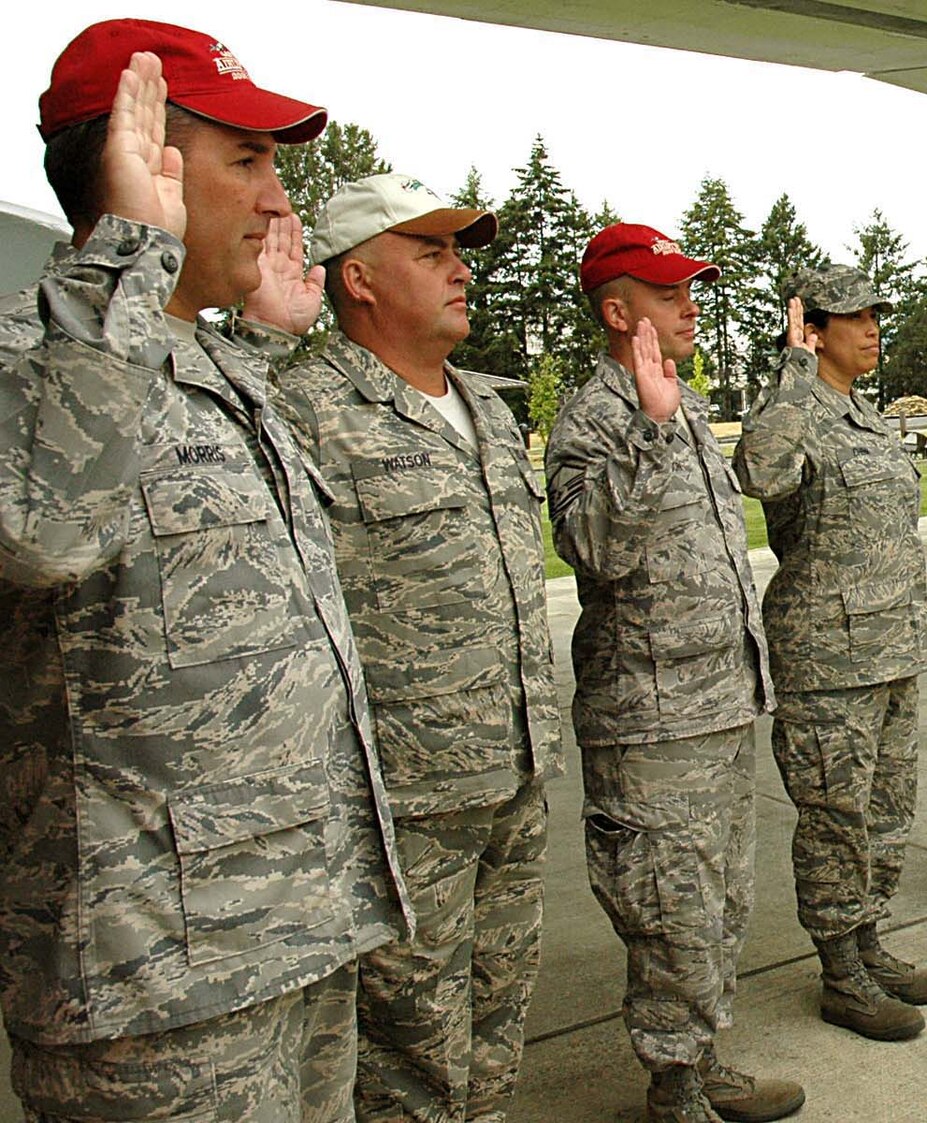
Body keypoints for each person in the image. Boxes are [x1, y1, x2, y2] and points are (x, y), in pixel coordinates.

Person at [0, 19, 407, 1122]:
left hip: (300, 934)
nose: (282, 201)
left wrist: (262, 335)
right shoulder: (36, 354)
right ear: (149, 168)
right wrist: (129, 252)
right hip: (157, 988)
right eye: (250, 161)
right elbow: (38, 528)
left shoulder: (204, 362)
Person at [272, 173, 562, 1123]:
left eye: (460, 249)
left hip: (515, 768)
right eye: (430, 251)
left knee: (498, 1011)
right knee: (408, 1048)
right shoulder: (304, 407)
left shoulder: (487, 404)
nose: (459, 269)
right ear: (358, 278)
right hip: (403, 799)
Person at [546, 222, 804, 1123]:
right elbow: (592, 549)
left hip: (719, 701)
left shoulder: (685, 404)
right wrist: (651, 431)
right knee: (668, 907)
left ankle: (701, 1058)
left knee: (720, 898)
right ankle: (674, 1087)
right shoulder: (599, 413)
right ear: (619, 312)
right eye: (668, 292)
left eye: (691, 288)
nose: (690, 305)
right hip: (651, 720)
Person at [732, 265, 927, 1043]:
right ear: (811, 329)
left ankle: (867, 941)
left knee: (887, 811)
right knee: (835, 819)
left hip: (890, 648)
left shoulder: (863, 413)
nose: (872, 328)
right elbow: (758, 472)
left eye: (874, 314)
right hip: (828, 660)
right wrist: (792, 370)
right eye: (852, 317)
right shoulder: (794, 411)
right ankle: (839, 973)